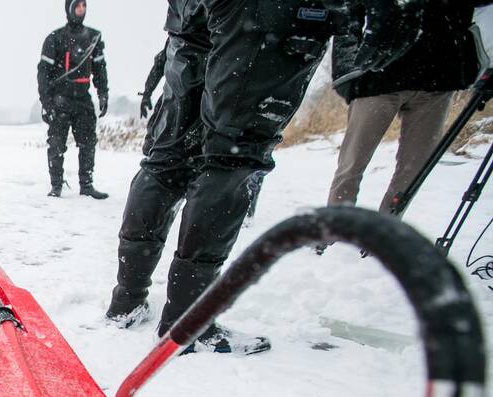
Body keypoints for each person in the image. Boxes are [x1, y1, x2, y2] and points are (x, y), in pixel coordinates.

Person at [104, 0, 408, 355]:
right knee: (232, 157)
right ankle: (187, 325)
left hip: (194, 11)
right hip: (266, 17)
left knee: (167, 158)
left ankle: (128, 300)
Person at [327, 0, 490, 214]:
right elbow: (350, 11)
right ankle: (335, 226)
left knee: (413, 172)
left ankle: (386, 233)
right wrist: (346, 73)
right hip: (378, 79)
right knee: (352, 164)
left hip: (438, 81)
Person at [37, 0, 109, 200]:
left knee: (88, 143)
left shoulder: (94, 37)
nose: (81, 10)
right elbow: (43, 73)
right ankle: (56, 185)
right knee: (57, 144)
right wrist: (47, 102)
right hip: (60, 99)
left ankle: (86, 185)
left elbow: (100, 69)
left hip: (83, 100)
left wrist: (103, 93)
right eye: (77, 6)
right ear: (69, 9)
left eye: (84, 6)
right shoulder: (55, 38)